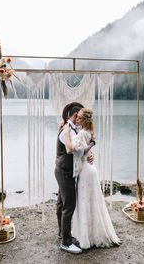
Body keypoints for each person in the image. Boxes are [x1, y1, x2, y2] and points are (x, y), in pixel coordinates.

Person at [64, 108, 121, 249]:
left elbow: (76, 152)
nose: (77, 120)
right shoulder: (89, 132)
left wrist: (66, 134)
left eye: (80, 118)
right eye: (77, 118)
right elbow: (86, 149)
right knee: (92, 201)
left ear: (85, 120)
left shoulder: (83, 133)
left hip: (86, 171)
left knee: (85, 202)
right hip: (91, 169)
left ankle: (87, 237)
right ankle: (92, 233)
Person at [54, 102, 94, 254]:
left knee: (61, 203)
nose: (80, 121)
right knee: (69, 205)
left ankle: (62, 232)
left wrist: (89, 153)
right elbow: (72, 151)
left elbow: (81, 148)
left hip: (64, 170)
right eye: (80, 117)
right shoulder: (67, 131)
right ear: (76, 115)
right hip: (64, 171)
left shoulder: (73, 129)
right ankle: (66, 242)